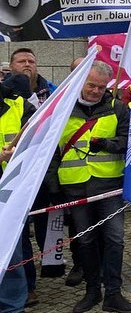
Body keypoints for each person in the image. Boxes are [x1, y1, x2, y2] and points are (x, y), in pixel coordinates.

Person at [47, 61, 131, 313]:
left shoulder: (117, 108)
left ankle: (113, 294)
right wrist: (53, 187)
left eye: (101, 87)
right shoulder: (63, 109)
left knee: (114, 239)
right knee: (85, 241)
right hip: (74, 186)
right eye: (91, 85)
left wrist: (107, 144)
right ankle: (91, 291)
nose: (96, 91)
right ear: (80, 82)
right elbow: (52, 152)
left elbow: (129, 141)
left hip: (108, 185)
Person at [0, 80, 36, 308]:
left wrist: (20, 150)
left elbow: (38, 141)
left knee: (11, 250)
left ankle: (12, 304)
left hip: (10, 191)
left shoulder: (19, 106)